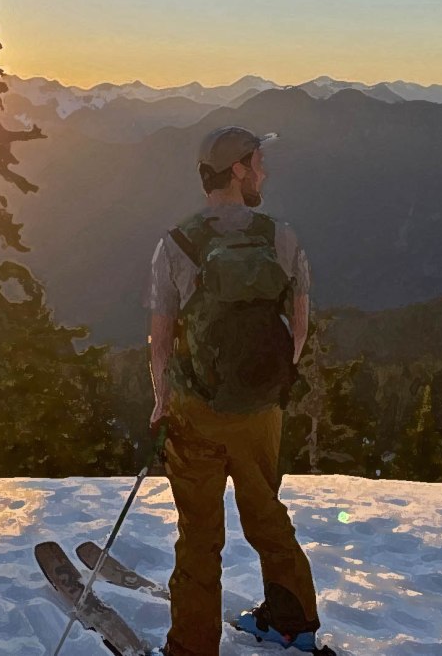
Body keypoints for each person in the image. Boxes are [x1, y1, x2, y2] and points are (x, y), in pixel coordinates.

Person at [145, 125, 321, 655]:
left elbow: (160, 339)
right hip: (261, 412)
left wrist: (162, 399)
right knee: (267, 514)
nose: (264, 171)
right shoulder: (280, 237)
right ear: (238, 169)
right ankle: (292, 623)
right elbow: (300, 327)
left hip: (195, 409)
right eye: (258, 162)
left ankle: (192, 646)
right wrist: (269, 383)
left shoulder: (176, 244)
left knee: (199, 535)